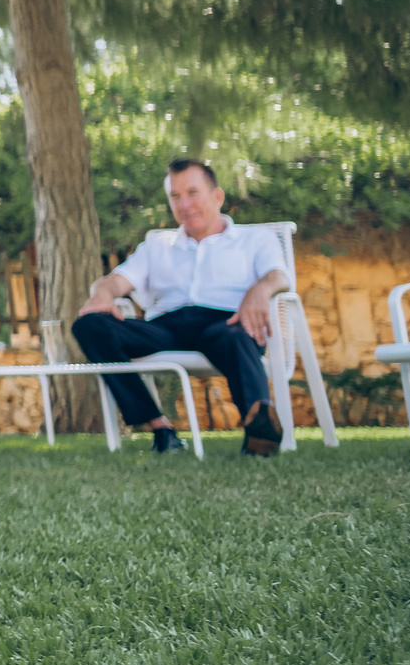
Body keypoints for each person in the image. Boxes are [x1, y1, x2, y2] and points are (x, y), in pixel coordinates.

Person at [71, 158, 292, 457]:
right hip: (166, 328)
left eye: (192, 193)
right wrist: (102, 294)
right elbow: (113, 282)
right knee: (88, 324)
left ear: (217, 196)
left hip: (225, 324)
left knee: (238, 338)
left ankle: (259, 431)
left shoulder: (255, 240)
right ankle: (159, 426)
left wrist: (260, 290)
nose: (184, 204)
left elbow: (279, 276)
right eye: (175, 197)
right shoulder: (156, 245)